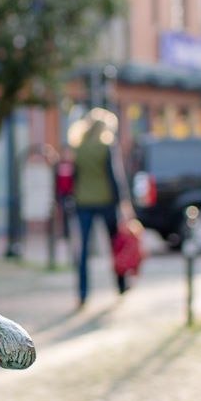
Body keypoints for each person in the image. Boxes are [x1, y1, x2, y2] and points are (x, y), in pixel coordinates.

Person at [68, 108, 131, 306]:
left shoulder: (78, 147)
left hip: (83, 202)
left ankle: (83, 292)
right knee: (115, 245)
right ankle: (121, 285)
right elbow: (115, 177)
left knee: (84, 250)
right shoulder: (107, 146)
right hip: (105, 202)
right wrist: (124, 203)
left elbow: (74, 176)